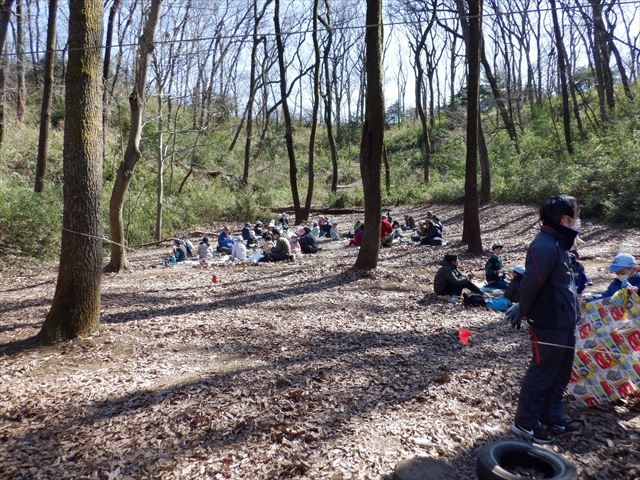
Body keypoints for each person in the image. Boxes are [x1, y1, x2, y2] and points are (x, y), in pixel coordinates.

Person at [508, 195, 582, 444]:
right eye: (576, 214)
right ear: (564, 219)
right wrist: (523, 308)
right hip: (548, 323)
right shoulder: (544, 245)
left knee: (560, 372)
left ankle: (551, 415)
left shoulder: (559, 244)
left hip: (565, 322)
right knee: (542, 372)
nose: (578, 220)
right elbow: (531, 282)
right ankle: (525, 423)